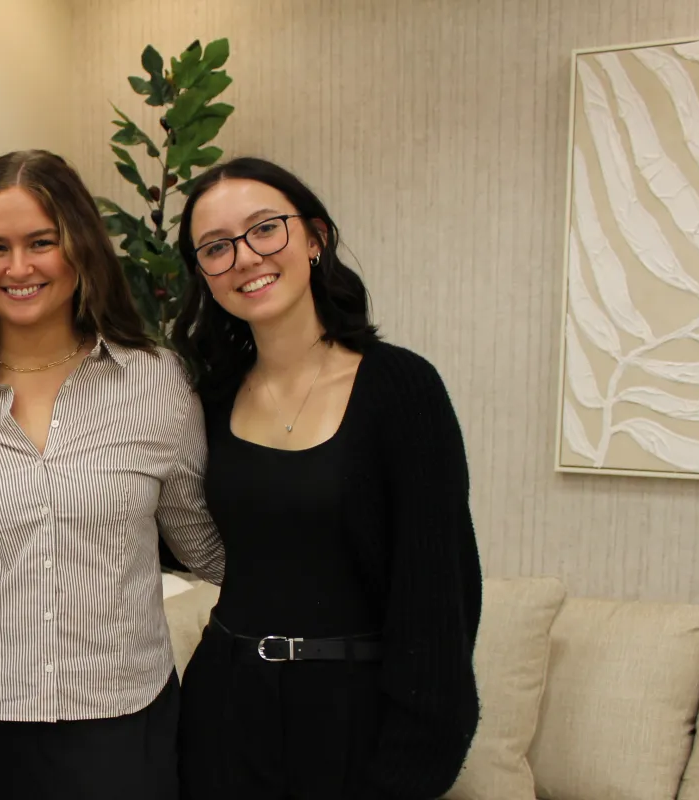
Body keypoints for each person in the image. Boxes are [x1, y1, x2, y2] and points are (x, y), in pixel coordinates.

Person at [0, 149, 225, 800]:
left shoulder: (157, 385)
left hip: (121, 729)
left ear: (78, 248)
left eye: (41, 243)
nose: (19, 267)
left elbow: (206, 548)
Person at [169, 156, 482, 799]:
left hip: (352, 721)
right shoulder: (209, 398)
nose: (246, 258)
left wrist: (409, 771)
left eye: (265, 230)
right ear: (203, 273)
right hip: (224, 712)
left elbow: (440, 600)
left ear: (314, 238)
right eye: (216, 247)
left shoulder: (401, 388)